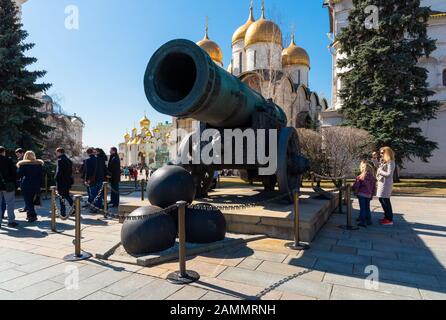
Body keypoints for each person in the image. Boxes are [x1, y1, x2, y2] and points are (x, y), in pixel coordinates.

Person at [17, 151, 44, 223]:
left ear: (25, 156)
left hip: (26, 184)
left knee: (28, 201)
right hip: (36, 184)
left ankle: (33, 215)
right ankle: (29, 215)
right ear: (33, 156)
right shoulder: (38, 164)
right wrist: (41, 185)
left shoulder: (23, 164)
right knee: (32, 200)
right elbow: (41, 176)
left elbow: (19, 175)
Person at [353, 160, 376, 228]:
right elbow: (374, 187)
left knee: (362, 208)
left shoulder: (360, 177)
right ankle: (368, 220)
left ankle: (363, 222)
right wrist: (372, 194)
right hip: (368, 195)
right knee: (367, 208)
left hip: (361, 194)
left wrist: (354, 190)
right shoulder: (372, 178)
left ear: (362, 169)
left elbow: (356, 185)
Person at [376, 146, 396, 226]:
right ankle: (386, 217)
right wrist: (374, 159)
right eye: (380, 153)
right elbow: (378, 166)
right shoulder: (384, 161)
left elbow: (389, 174)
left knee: (385, 201)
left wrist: (380, 171)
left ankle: (389, 219)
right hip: (382, 183)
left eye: (382, 153)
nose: (380, 154)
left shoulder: (390, 162)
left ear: (386, 153)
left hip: (386, 184)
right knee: (381, 199)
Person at [0, 147, 18, 228]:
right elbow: (14, 173)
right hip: (8, 185)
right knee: (10, 203)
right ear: (3, 152)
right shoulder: (8, 160)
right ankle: (11, 221)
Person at [55, 148, 74, 218]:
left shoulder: (60, 160)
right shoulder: (68, 160)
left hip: (61, 181)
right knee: (66, 195)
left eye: (56, 152)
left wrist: (55, 178)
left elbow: (59, 171)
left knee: (61, 197)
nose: (56, 154)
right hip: (67, 181)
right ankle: (74, 208)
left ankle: (63, 213)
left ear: (59, 152)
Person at [84, 148, 99, 213]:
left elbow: (88, 171)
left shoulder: (88, 160)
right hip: (97, 178)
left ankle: (94, 208)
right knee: (97, 194)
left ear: (88, 153)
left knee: (93, 194)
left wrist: (87, 179)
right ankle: (98, 206)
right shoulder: (97, 159)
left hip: (91, 179)